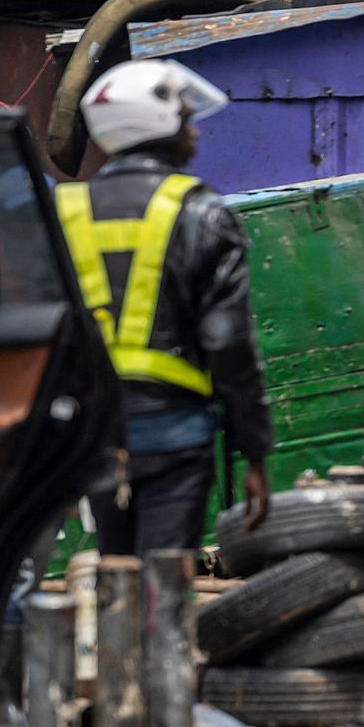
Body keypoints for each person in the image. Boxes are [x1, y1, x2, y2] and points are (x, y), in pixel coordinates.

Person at [59, 59, 273, 557]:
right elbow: (228, 342)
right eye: (185, 117)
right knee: (165, 576)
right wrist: (256, 452)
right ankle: (161, 635)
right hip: (175, 434)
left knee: (117, 569)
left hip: (91, 436)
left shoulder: (62, 211)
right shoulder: (202, 211)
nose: (194, 132)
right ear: (157, 124)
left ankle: (124, 634)